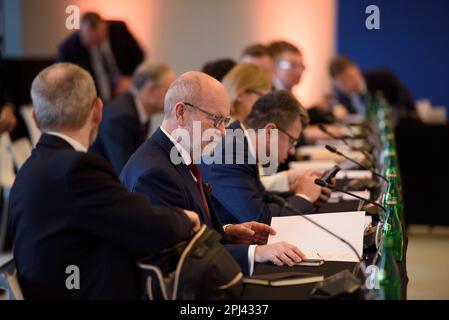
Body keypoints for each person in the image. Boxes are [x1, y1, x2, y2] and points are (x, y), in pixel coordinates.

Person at [8, 63, 200, 300]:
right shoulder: (77, 168)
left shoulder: (29, 168)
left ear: (36, 120)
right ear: (98, 110)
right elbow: (142, 224)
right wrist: (184, 218)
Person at [120, 71, 308, 275]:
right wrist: (255, 253)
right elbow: (181, 257)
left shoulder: (174, 155)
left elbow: (192, 234)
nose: (222, 132)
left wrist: (227, 232)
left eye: (225, 121)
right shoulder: (154, 173)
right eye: (216, 120)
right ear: (181, 113)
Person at [200, 90, 331, 225]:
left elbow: (260, 199)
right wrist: (304, 197)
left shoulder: (240, 144)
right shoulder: (230, 154)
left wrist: (300, 193)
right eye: (292, 141)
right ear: (269, 132)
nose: (292, 151)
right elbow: (261, 219)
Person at [90, 62, 176, 174]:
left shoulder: (136, 111)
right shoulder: (121, 117)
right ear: (150, 89)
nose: (173, 98)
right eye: (169, 91)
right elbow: (126, 171)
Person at [58, 12, 144, 101]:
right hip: (94, 100)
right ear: (81, 32)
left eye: (98, 38)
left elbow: (139, 56)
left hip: (125, 94)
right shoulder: (68, 49)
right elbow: (66, 82)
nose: (96, 44)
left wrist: (132, 80)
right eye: (91, 40)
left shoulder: (119, 29)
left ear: (105, 26)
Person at [329, 56, 415, 118]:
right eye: (343, 82)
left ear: (356, 69)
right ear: (336, 84)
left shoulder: (384, 78)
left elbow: (406, 107)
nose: (349, 84)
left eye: (351, 77)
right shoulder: (342, 98)